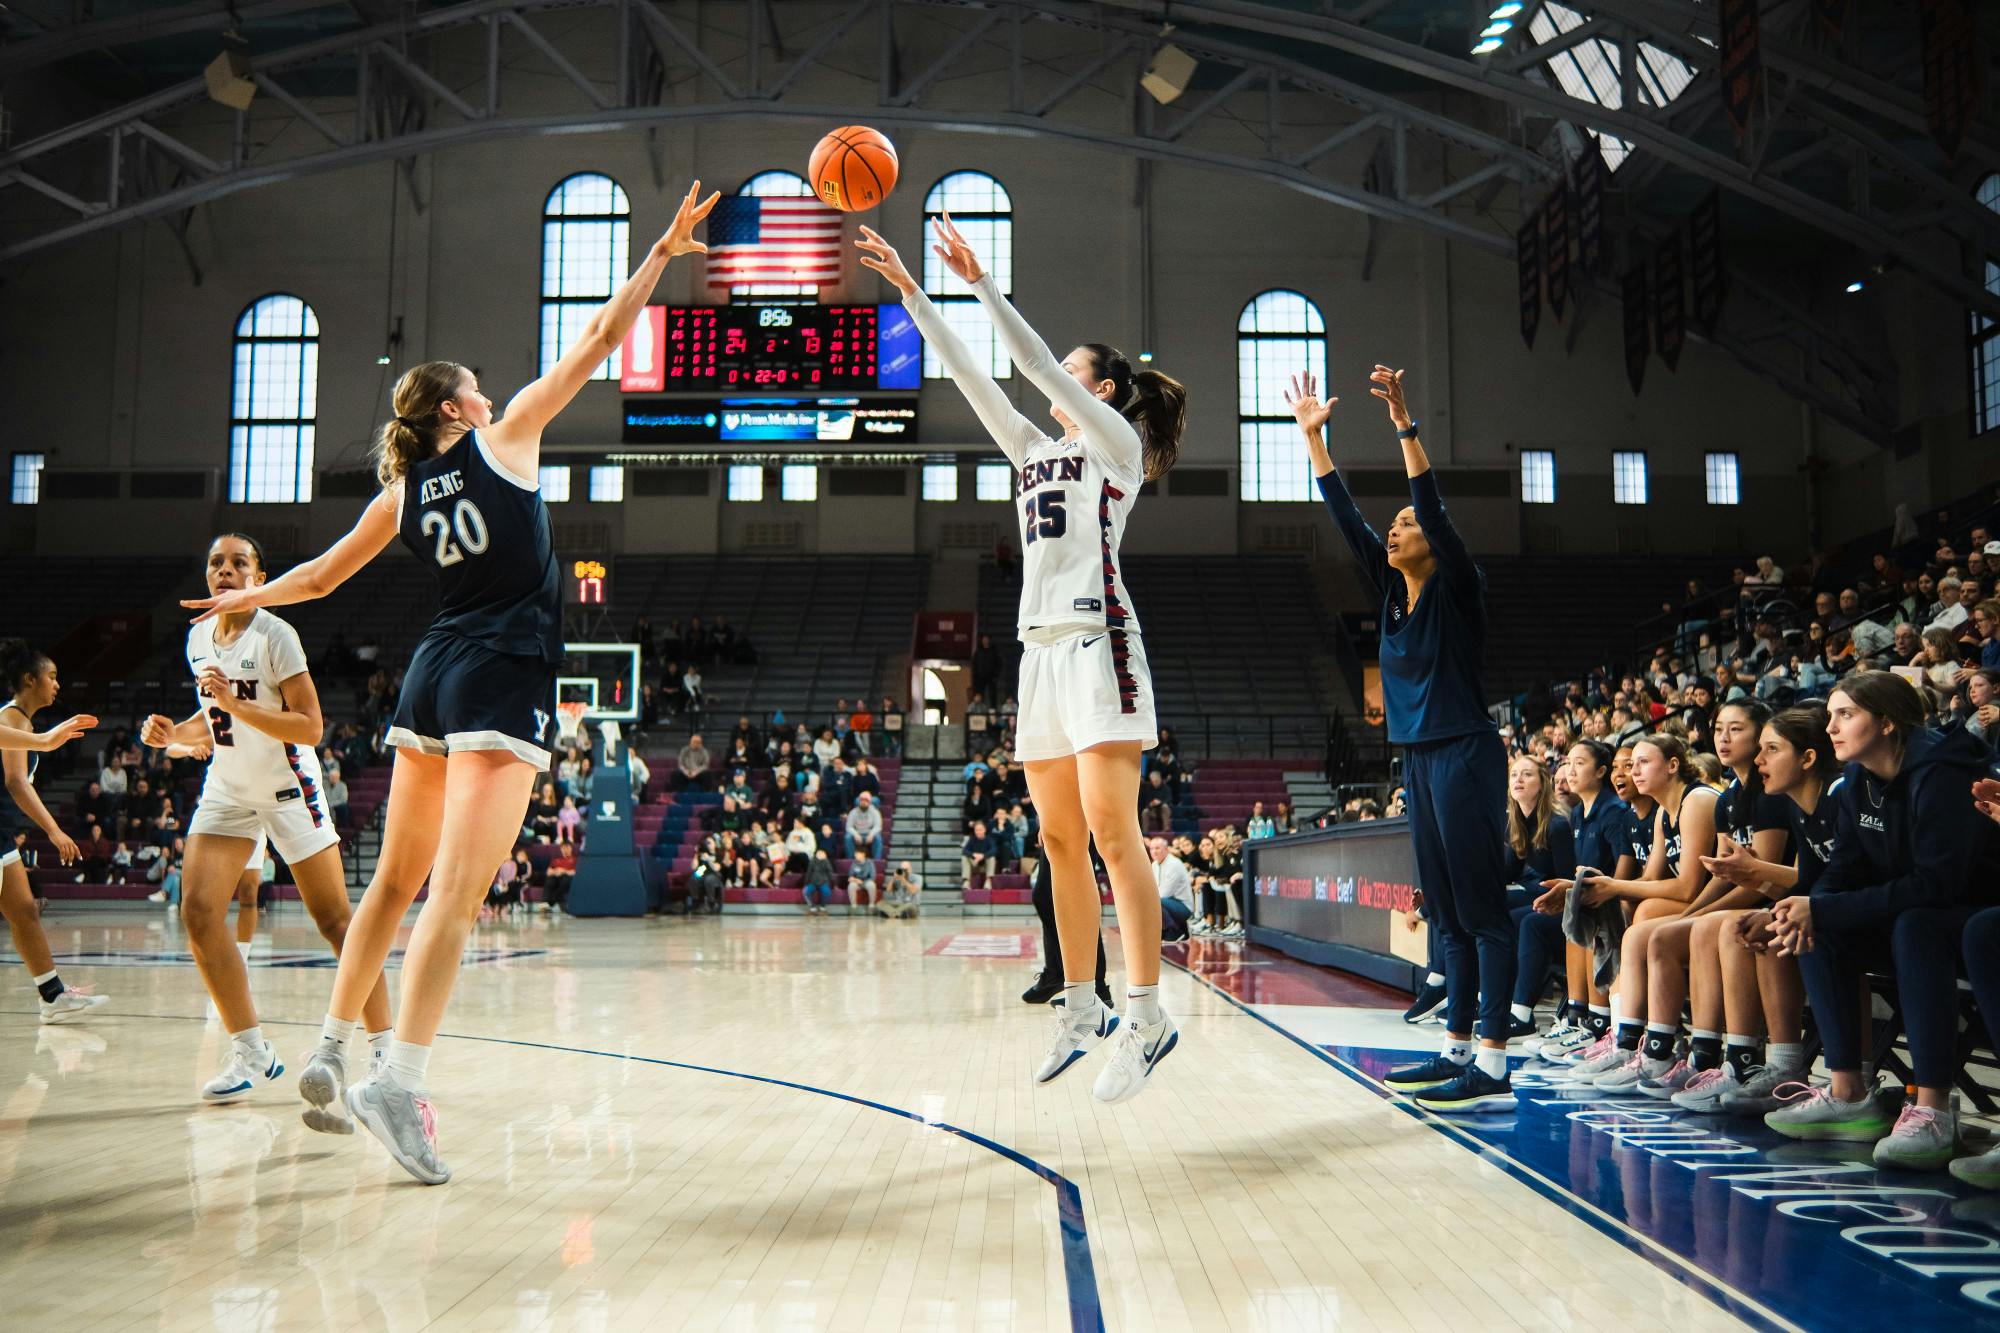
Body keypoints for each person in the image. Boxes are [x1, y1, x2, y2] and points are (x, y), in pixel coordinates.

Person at [181, 179, 719, 1184]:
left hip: (429, 675)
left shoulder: (402, 488)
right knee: (456, 899)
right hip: (501, 672)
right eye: (473, 384)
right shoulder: (506, 437)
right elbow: (601, 341)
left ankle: (337, 1047)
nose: (489, 390)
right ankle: (399, 1074)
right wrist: (659, 253)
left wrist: (234, 604)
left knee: (391, 884)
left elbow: (323, 576)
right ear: (452, 405)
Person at [859, 214, 1187, 1103]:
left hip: (1100, 643)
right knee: (1057, 840)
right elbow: (978, 384)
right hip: (1040, 657)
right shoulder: (1036, 453)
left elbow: (1034, 365)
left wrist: (980, 283)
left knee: (1116, 835)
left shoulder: (1116, 448)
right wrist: (915, 297)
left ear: (1107, 388)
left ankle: (1150, 1012)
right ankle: (1083, 1006)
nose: (1060, 384)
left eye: (1081, 375)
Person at [1290, 366, 1513, 1112]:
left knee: (1481, 911)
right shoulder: (1389, 594)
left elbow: (1433, 507)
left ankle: (1493, 1060)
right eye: (1395, 527)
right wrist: (1314, 442)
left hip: (1465, 750)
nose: (1396, 528)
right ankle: (1454, 1047)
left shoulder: (1460, 587)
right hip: (1418, 758)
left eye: (1407, 525)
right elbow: (1348, 519)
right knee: (1445, 913)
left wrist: (1404, 423)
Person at [143, 533, 397, 1107]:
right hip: (229, 788)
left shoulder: (277, 635)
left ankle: (386, 1053)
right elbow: (211, 722)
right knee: (200, 912)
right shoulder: (197, 638)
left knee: (337, 922)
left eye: (239, 563)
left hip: (289, 788)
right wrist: (173, 734)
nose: (225, 571)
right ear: (207, 577)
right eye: (216, 563)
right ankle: (251, 1050)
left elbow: (310, 727)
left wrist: (233, 704)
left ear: (260, 577)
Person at [1763, 673, 2000, 1167]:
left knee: (1915, 924)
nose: (1831, 727)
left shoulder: (1943, 771)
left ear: (1888, 723)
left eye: (1845, 715)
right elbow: (1842, 869)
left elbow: (1938, 885)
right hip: (1916, 911)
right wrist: (1810, 907)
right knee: (1819, 927)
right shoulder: (1854, 781)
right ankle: (1850, 1094)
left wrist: (1824, 906)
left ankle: (1932, 1111)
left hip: (1967, 909)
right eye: (1830, 716)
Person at [1672, 707, 1837, 1115]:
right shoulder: (1739, 798)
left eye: (1769, 747)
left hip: (1853, 911)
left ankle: (1744, 1058)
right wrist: (1691, 911)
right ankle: (1705, 1054)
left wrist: (1756, 877)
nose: (1724, 738)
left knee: (1743, 926)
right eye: (1718, 728)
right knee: (1731, 925)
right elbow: (1751, 874)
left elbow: (1784, 876)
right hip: (1815, 900)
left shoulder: (1812, 796)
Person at [1557, 733, 1721, 1087]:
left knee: (1641, 921)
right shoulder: (1665, 810)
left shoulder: (1698, 800)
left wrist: (1614, 887)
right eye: (1631, 765)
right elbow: (1651, 878)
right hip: (1702, 902)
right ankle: (1630, 1037)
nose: (1633, 771)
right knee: (1637, 914)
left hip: (1726, 902)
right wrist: (1590, 887)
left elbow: (1688, 885)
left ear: (1673, 765)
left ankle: (1639, 1039)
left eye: (1642, 763)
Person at [0, 648, 106, 1022]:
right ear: (30, 680)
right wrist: (54, 829)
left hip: (3, 834)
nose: (57, 684)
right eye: (53, 676)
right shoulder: (11, 718)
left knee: (25, 911)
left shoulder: (20, 721)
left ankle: (52, 997)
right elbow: (15, 782)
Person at [1499, 753, 1574, 1041]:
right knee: (1489, 909)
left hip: (1566, 903)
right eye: (1514, 774)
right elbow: (1506, 874)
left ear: (1543, 783)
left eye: (1527, 774)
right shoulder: (1519, 822)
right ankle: (1492, 1000)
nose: (1518, 779)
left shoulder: (1555, 825)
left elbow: (1569, 882)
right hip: (1541, 896)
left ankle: (1520, 1013)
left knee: (1521, 920)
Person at [1148, 836, 1194, 941]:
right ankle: (1170, 930)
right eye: (1152, 848)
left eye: (1157, 848)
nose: (1154, 851)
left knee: (1155, 901)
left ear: (1166, 849)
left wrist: (1148, 901)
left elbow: (1166, 893)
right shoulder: (1154, 865)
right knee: (1152, 901)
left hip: (1183, 907)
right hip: (1168, 903)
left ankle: (1174, 931)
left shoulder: (1174, 864)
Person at [801, 846, 835, 916]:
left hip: (824, 882)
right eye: (818, 853)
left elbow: (830, 872)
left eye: (822, 853)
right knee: (805, 891)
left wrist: (834, 883)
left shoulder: (827, 862)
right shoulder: (812, 861)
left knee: (827, 892)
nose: (820, 854)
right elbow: (809, 872)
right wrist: (806, 883)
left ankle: (822, 907)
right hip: (813, 882)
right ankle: (812, 908)